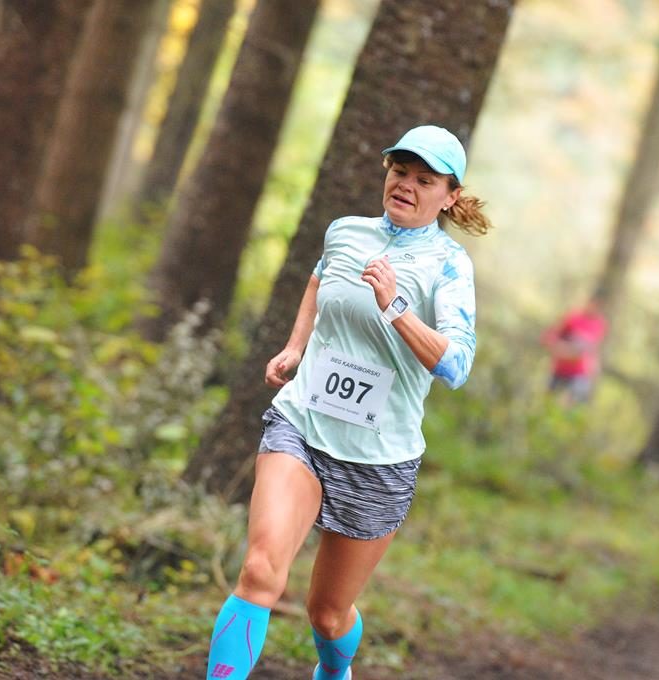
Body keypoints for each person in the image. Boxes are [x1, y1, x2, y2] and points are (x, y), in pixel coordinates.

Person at [204, 125, 491, 680]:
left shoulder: (449, 265)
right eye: (399, 172)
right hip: (302, 423)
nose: (405, 185)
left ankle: (335, 673)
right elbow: (318, 282)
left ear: (449, 196)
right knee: (261, 572)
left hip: (379, 457)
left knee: (328, 614)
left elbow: (456, 366)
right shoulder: (345, 232)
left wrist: (396, 306)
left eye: (424, 180)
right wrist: (294, 348)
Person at [540, 291, 608, 405]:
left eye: (599, 306)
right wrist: (559, 348)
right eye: (594, 303)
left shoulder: (600, 324)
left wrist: (594, 363)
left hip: (579, 372)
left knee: (575, 402)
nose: (595, 308)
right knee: (548, 401)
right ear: (589, 302)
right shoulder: (573, 317)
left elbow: (593, 348)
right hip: (560, 368)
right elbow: (551, 336)